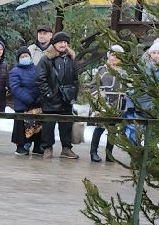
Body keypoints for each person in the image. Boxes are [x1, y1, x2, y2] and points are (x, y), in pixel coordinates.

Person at [39, 31, 81, 159]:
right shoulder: (46, 59)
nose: (63, 45)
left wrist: (72, 94)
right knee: (48, 126)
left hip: (66, 100)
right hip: (50, 100)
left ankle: (66, 148)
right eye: (60, 42)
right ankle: (47, 148)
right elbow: (40, 79)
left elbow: (75, 79)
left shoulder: (71, 59)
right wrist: (48, 95)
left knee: (66, 126)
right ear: (55, 44)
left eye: (65, 42)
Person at [91, 44, 126, 162]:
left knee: (113, 130)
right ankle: (93, 152)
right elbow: (93, 86)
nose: (114, 58)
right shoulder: (102, 71)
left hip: (118, 105)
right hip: (103, 104)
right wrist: (99, 99)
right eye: (112, 55)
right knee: (99, 127)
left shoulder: (125, 73)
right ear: (108, 56)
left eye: (117, 56)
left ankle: (109, 154)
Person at [7, 46, 42, 154]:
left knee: (37, 126)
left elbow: (41, 84)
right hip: (22, 104)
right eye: (22, 56)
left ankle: (37, 147)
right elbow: (15, 88)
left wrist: (39, 98)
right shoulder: (15, 71)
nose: (24, 57)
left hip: (36, 104)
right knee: (21, 128)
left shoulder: (37, 69)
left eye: (26, 55)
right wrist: (29, 99)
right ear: (18, 59)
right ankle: (21, 147)